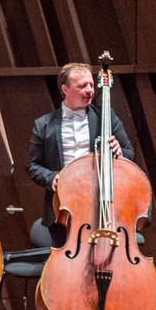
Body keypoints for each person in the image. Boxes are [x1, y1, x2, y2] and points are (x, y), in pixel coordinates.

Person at [26, 61, 134, 246]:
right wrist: (53, 178)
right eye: (82, 85)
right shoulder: (44, 125)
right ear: (65, 89)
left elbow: (129, 153)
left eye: (91, 84)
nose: (90, 90)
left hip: (100, 205)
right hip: (62, 208)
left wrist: (119, 152)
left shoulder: (106, 117)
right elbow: (32, 166)